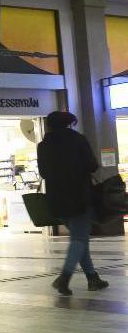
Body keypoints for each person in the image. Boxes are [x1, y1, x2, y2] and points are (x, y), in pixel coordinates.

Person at [37, 111, 110, 296]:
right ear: (70, 123)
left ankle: (93, 278)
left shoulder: (43, 146)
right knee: (79, 239)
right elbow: (92, 166)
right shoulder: (78, 140)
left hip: (56, 199)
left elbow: (44, 172)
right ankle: (64, 277)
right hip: (79, 197)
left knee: (80, 239)